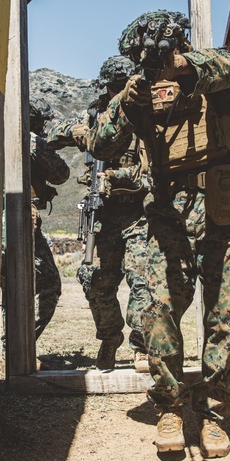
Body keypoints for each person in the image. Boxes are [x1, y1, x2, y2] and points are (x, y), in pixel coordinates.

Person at [88, 11, 230, 458]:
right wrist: (129, 99)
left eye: (163, 51)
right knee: (158, 310)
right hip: (166, 216)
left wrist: (181, 68)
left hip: (221, 210)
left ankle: (215, 412)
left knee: (226, 315)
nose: (158, 61)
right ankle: (170, 407)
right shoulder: (137, 92)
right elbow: (101, 146)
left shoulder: (210, 64)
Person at [47, 56, 152, 372]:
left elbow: (152, 172)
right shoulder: (95, 113)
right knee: (93, 279)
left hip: (138, 212)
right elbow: (53, 133)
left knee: (143, 277)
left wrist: (117, 178)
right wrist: (80, 130)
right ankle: (109, 337)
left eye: (121, 88)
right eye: (112, 88)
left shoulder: (144, 118)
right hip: (102, 214)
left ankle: (142, 346)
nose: (116, 94)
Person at [29, 101, 70, 341]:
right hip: (20, 219)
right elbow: (61, 173)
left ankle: (7, 349)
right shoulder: (31, 139)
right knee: (48, 284)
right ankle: (10, 348)